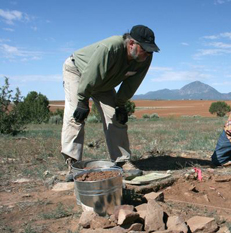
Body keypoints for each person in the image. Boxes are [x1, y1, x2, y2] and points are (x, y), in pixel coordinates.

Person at [61, 25, 159, 175]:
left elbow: (131, 85)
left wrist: (120, 105)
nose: (147, 53)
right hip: (78, 71)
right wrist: (82, 101)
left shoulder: (145, 58)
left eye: (150, 50)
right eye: (144, 49)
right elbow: (91, 75)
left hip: (104, 82)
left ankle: (122, 161)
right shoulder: (110, 47)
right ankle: (72, 165)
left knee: (116, 118)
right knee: (76, 117)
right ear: (131, 43)